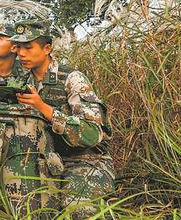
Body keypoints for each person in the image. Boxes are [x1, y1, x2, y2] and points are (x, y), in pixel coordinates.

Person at [10, 18, 115, 217]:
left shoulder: (72, 78)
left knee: (78, 210)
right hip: (41, 160)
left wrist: (45, 109)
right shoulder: (21, 81)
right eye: (18, 48)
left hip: (84, 160)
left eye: (28, 47)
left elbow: (92, 134)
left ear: (47, 48)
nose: (21, 54)